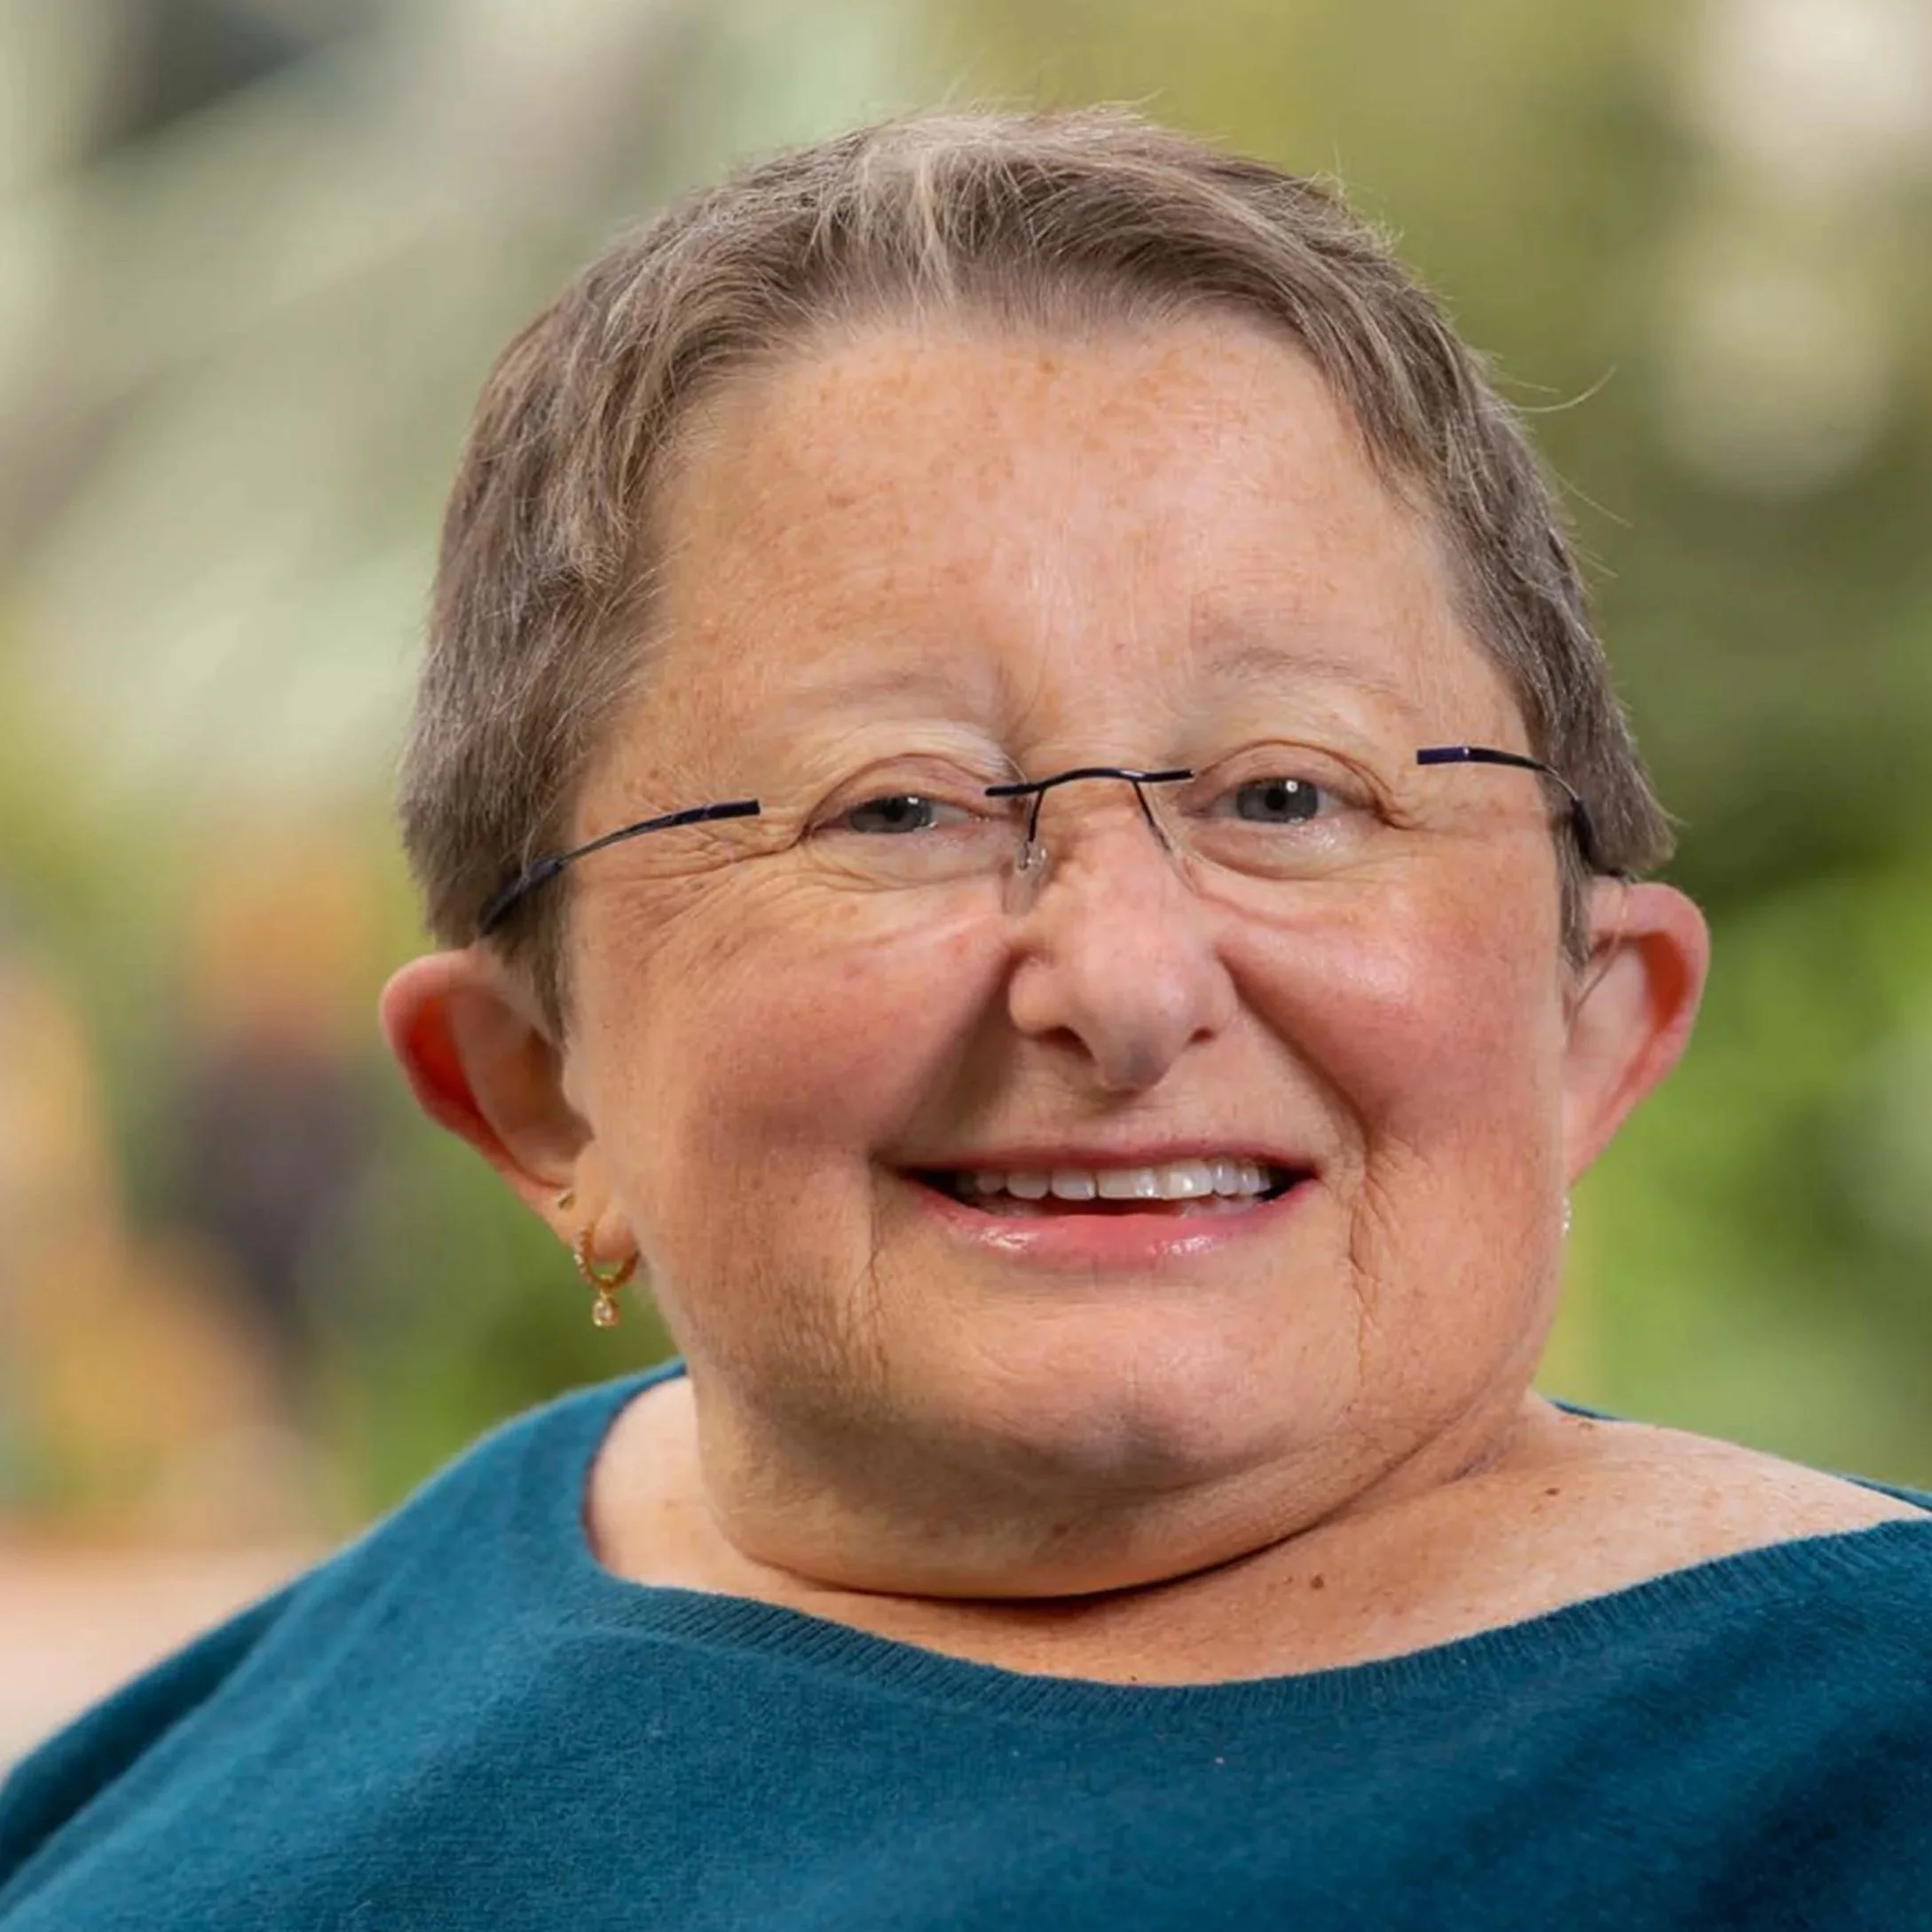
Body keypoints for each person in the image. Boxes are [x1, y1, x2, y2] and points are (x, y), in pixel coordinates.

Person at [2, 107, 1928, 1930]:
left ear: (1588, 1021)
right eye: (898, 810)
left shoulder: (1854, 1768)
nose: (1124, 983)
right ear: (538, 1095)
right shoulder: (158, 1785)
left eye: (1286, 794)